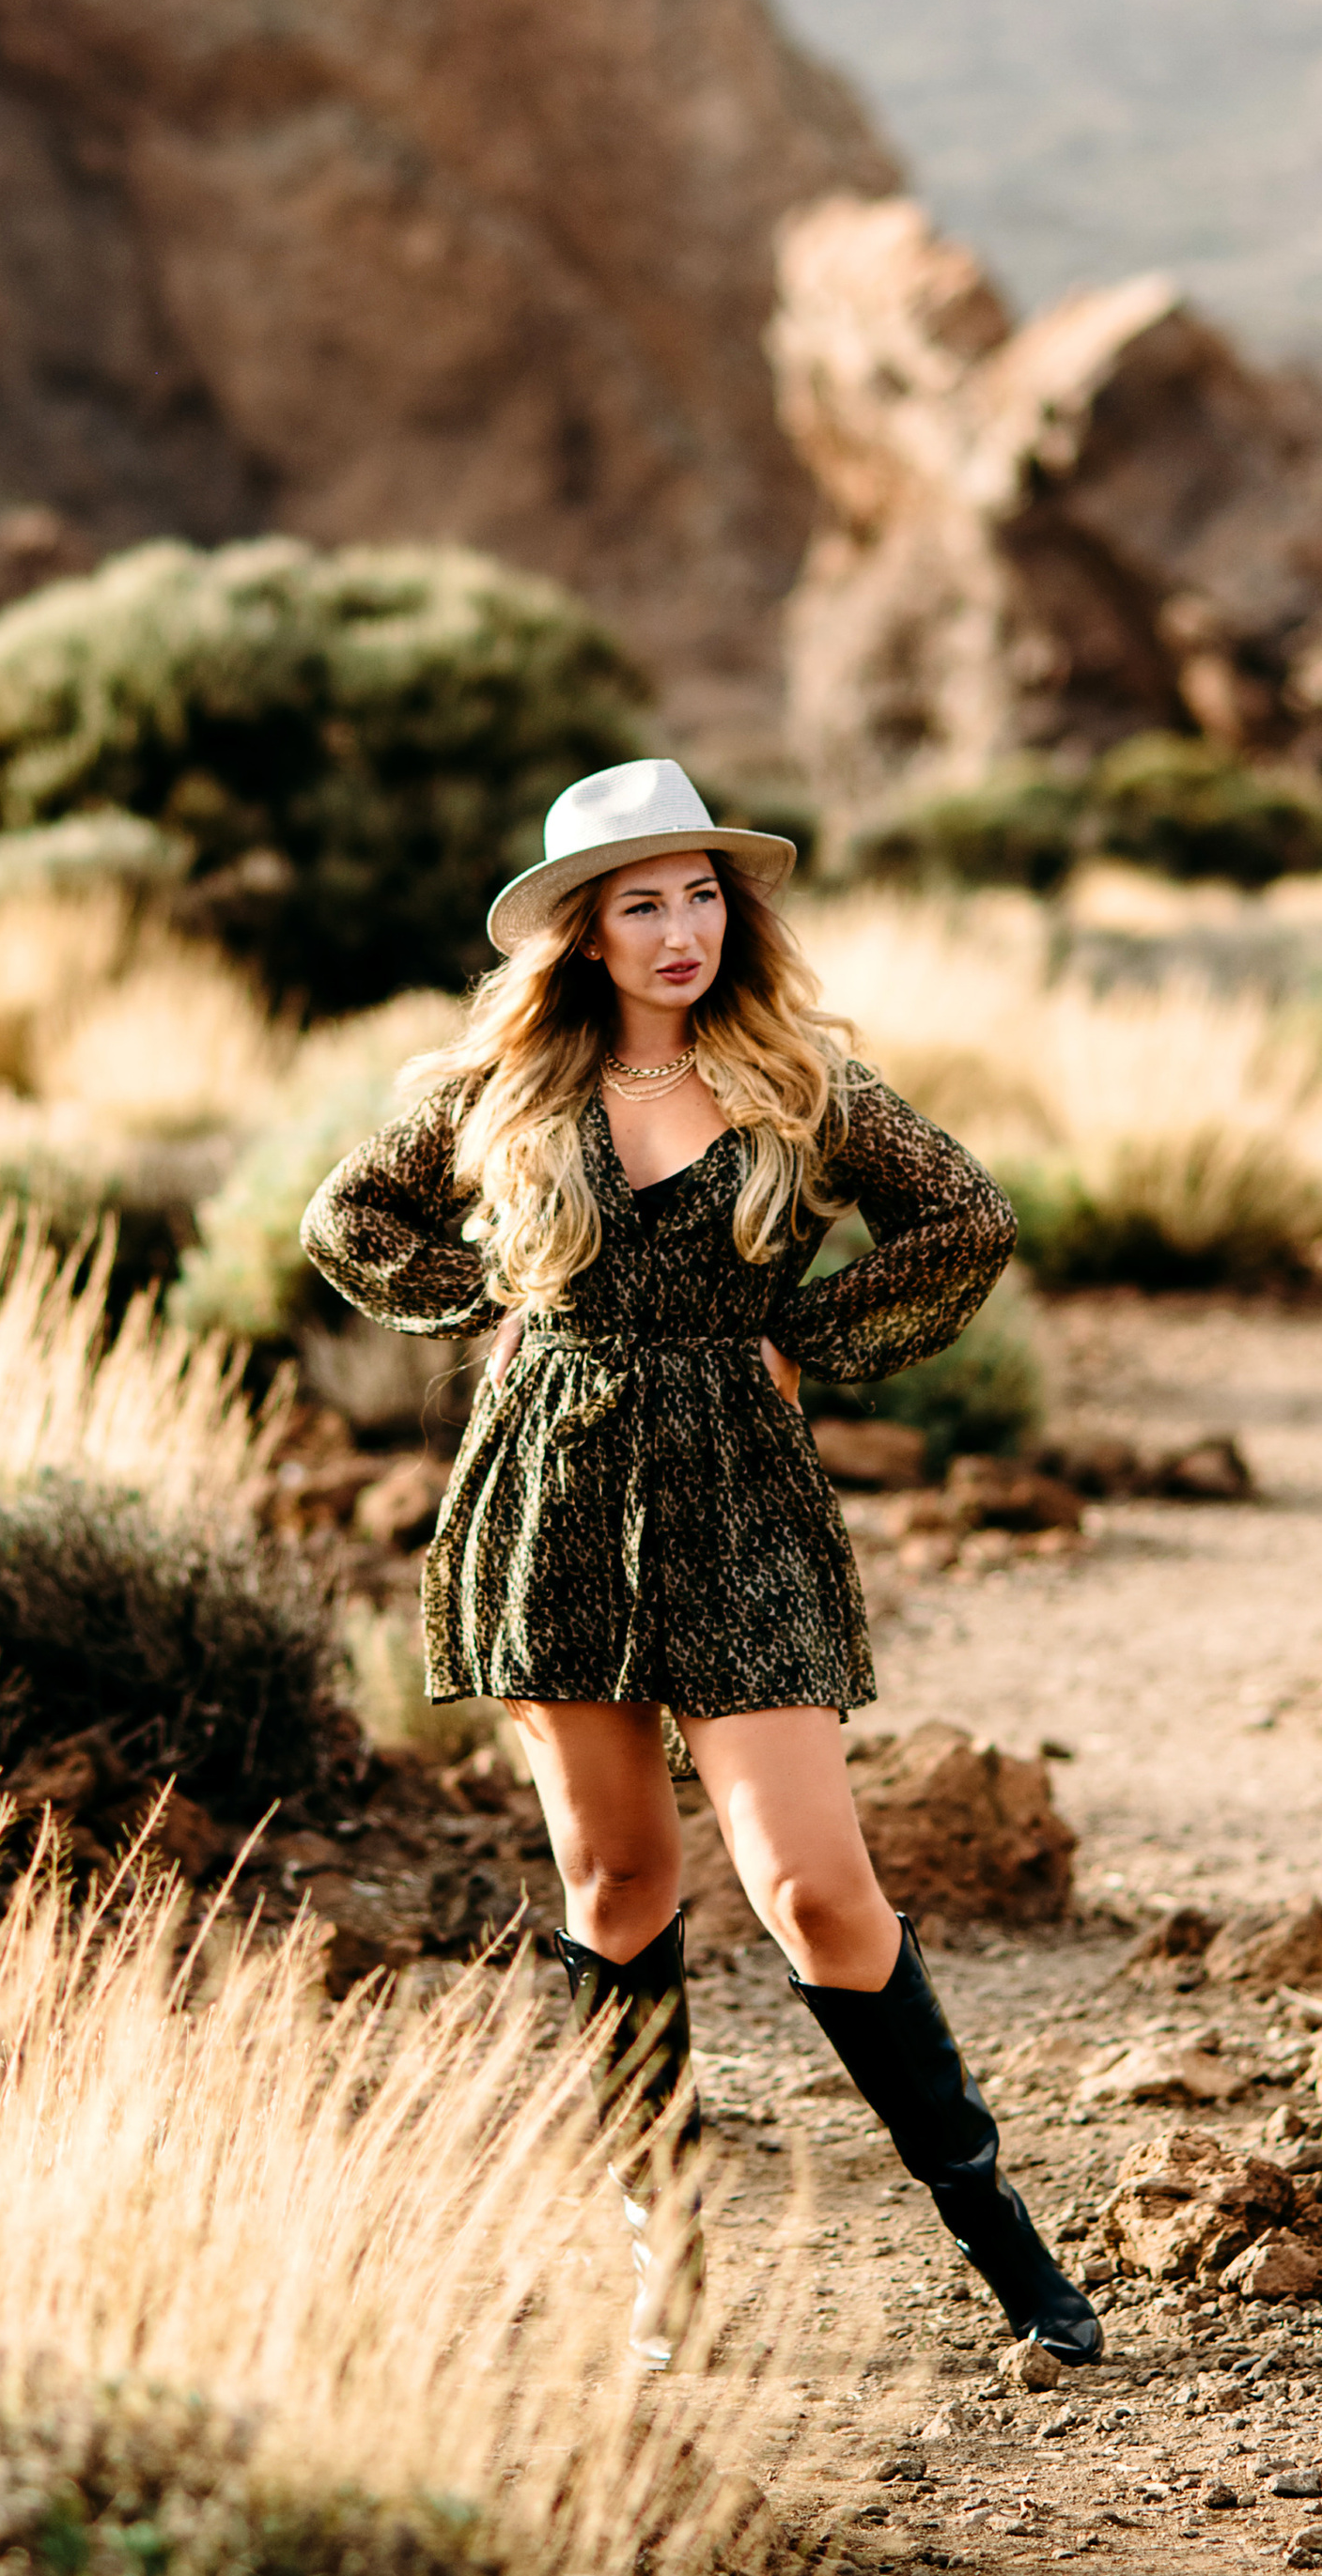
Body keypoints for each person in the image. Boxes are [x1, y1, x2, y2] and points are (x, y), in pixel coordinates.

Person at [301, 755, 1100, 2371]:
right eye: (642, 903)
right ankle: (664, 2254)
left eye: (704, 894)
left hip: (741, 1493)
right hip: (553, 1490)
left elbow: (967, 1221)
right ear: (583, 935)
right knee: (617, 1881)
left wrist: (802, 1336)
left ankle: (1004, 2244)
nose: (682, 930)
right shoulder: (501, 1092)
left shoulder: (802, 1080)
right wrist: (488, 1306)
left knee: (815, 1890)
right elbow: (346, 1217)